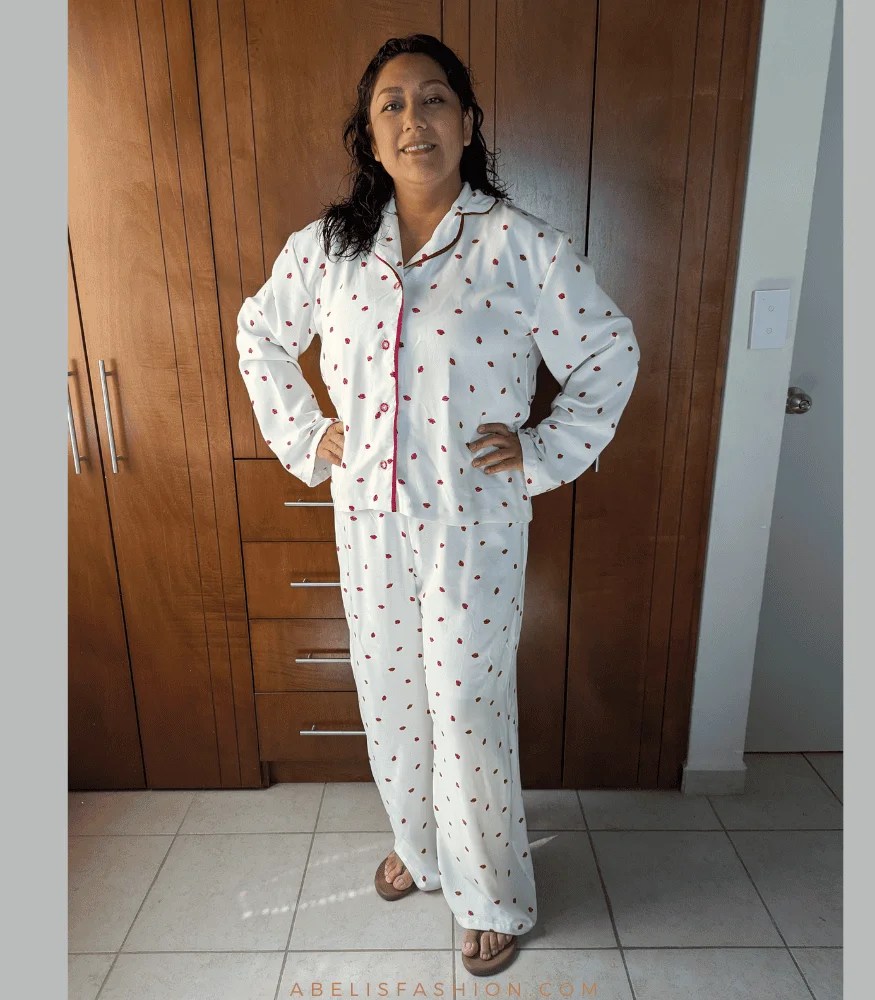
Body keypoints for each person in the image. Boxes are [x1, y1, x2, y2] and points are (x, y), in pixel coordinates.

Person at [235, 33, 639, 976]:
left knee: (464, 706)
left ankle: (491, 892)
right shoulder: (329, 249)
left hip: (474, 524)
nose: (413, 119)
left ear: (467, 120)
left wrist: (541, 451)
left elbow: (607, 351)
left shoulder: (521, 245)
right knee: (388, 698)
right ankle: (421, 852)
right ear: (370, 134)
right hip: (367, 519)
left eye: (433, 99)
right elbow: (260, 333)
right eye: (392, 105)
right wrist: (308, 433)